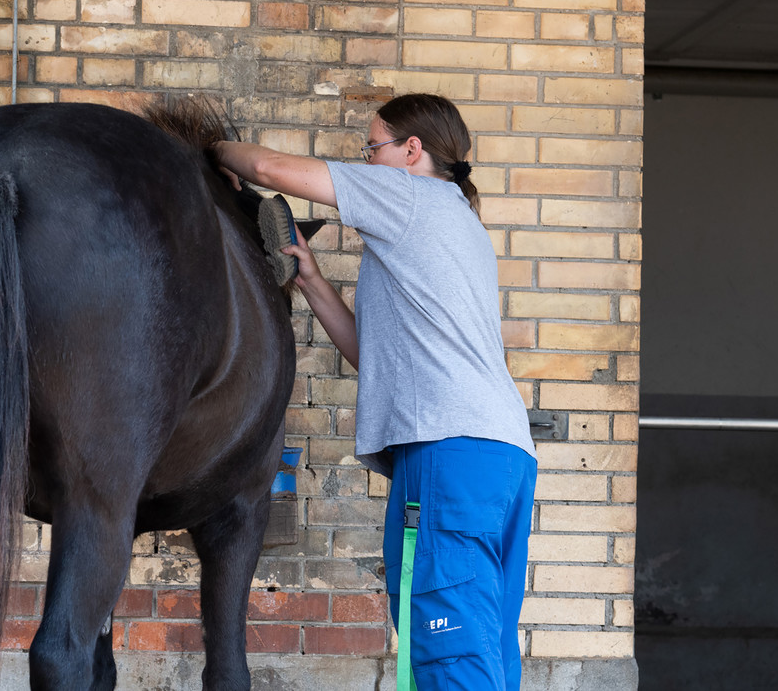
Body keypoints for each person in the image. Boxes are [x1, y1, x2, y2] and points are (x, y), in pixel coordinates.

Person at [212, 93, 539, 690]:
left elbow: (266, 169)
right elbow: (376, 358)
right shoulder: (458, 223)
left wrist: (210, 153)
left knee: (446, 648)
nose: (366, 159)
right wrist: (310, 276)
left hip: (451, 452)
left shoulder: (412, 196)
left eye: (372, 148)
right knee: (478, 642)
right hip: (494, 456)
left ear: (411, 151)